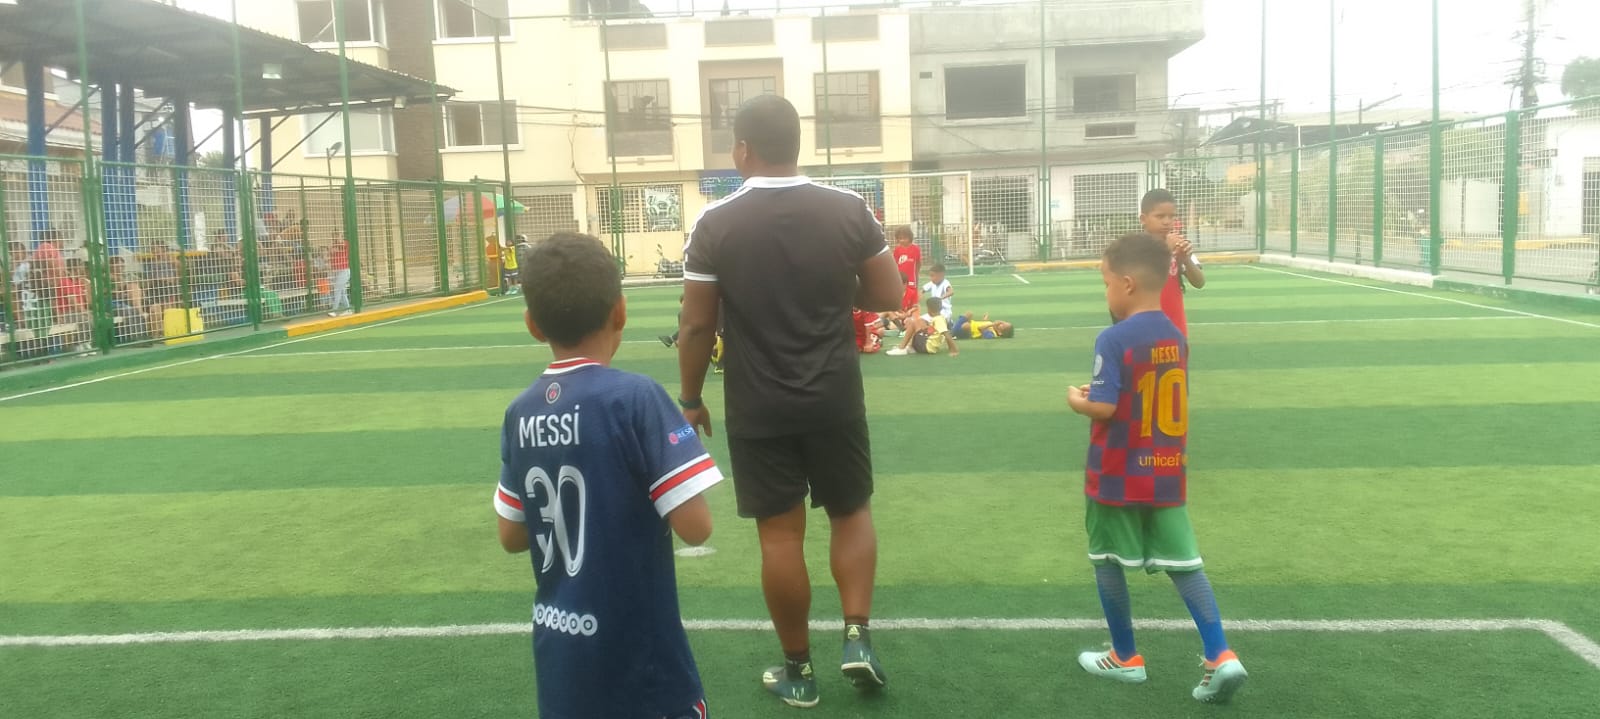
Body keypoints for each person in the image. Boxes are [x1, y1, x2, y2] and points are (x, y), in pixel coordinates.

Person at [676, 94, 902, 708]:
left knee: (780, 536)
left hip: (759, 405)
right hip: (835, 397)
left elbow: (695, 325)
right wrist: (832, 286)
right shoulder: (848, 208)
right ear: (798, 145)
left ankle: (798, 672)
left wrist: (691, 398)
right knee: (850, 512)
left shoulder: (714, 222)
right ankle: (857, 638)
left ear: (742, 150)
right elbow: (890, 295)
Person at [494, 231, 722, 719]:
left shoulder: (519, 412)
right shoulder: (637, 397)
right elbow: (697, 526)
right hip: (642, 665)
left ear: (532, 324)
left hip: (561, 662)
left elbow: (511, 535)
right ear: (621, 311)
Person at [1066, 232, 1247, 704]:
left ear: (1126, 284)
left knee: (1107, 560)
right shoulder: (1175, 335)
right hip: (1165, 472)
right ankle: (1220, 653)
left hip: (1116, 473)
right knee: (1185, 564)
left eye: (1106, 283)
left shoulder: (1112, 337)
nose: (1106, 292)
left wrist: (1078, 401)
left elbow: (1105, 407)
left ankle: (1125, 656)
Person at [1137, 189, 1206, 335]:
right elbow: (1141, 280)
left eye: (1172, 216)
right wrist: (1166, 251)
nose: (1167, 222)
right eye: (1160, 216)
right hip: (1144, 330)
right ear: (1143, 219)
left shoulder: (1179, 244)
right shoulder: (1134, 246)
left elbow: (1199, 282)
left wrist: (1186, 260)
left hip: (1175, 328)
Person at [886, 296, 959, 357]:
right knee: (921, 321)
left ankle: (901, 348)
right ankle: (911, 347)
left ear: (929, 309)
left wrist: (954, 350)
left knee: (914, 323)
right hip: (928, 346)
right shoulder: (940, 318)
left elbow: (946, 334)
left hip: (926, 346)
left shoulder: (938, 320)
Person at [891, 226, 920, 311]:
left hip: (911, 279)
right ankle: (900, 314)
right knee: (901, 298)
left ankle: (912, 314)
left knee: (913, 300)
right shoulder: (897, 250)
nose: (902, 240)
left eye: (905, 238)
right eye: (900, 238)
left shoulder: (916, 249)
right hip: (901, 279)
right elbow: (894, 264)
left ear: (910, 237)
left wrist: (916, 276)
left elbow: (918, 264)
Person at [327, 234, 352, 317]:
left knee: (337, 290)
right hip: (336, 271)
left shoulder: (345, 243)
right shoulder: (334, 246)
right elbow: (330, 251)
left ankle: (334, 310)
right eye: (334, 237)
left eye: (338, 236)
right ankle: (348, 309)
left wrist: (337, 242)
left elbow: (342, 244)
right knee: (342, 292)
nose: (336, 238)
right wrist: (332, 246)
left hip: (344, 271)